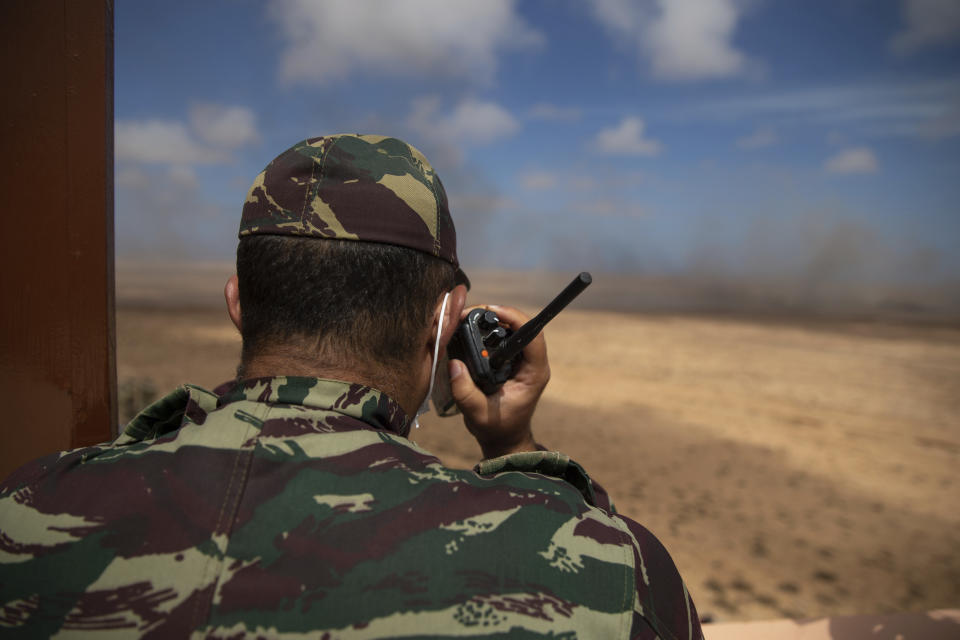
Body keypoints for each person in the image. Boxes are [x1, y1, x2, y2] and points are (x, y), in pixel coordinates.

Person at [0, 134, 703, 639]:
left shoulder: (24, 511)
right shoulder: (598, 570)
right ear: (447, 318)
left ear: (238, 301)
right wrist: (513, 443)